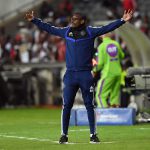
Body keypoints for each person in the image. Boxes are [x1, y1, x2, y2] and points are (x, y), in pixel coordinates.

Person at [25, 9, 133, 144]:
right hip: (70, 75)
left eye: (75, 19)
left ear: (82, 21)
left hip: (85, 75)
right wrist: (35, 20)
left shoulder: (90, 32)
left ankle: (93, 135)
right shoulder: (66, 31)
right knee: (66, 106)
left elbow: (107, 28)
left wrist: (122, 20)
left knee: (90, 106)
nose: (72, 21)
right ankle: (64, 135)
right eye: (72, 19)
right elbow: (49, 28)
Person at [93, 33, 124, 108]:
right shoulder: (116, 44)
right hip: (118, 73)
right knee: (115, 97)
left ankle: (104, 116)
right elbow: (122, 56)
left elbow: (100, 64)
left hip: (108, 73)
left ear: (101, 36)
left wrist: (94, 70)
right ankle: (115, 116)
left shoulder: (101, 46)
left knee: (100, 96)